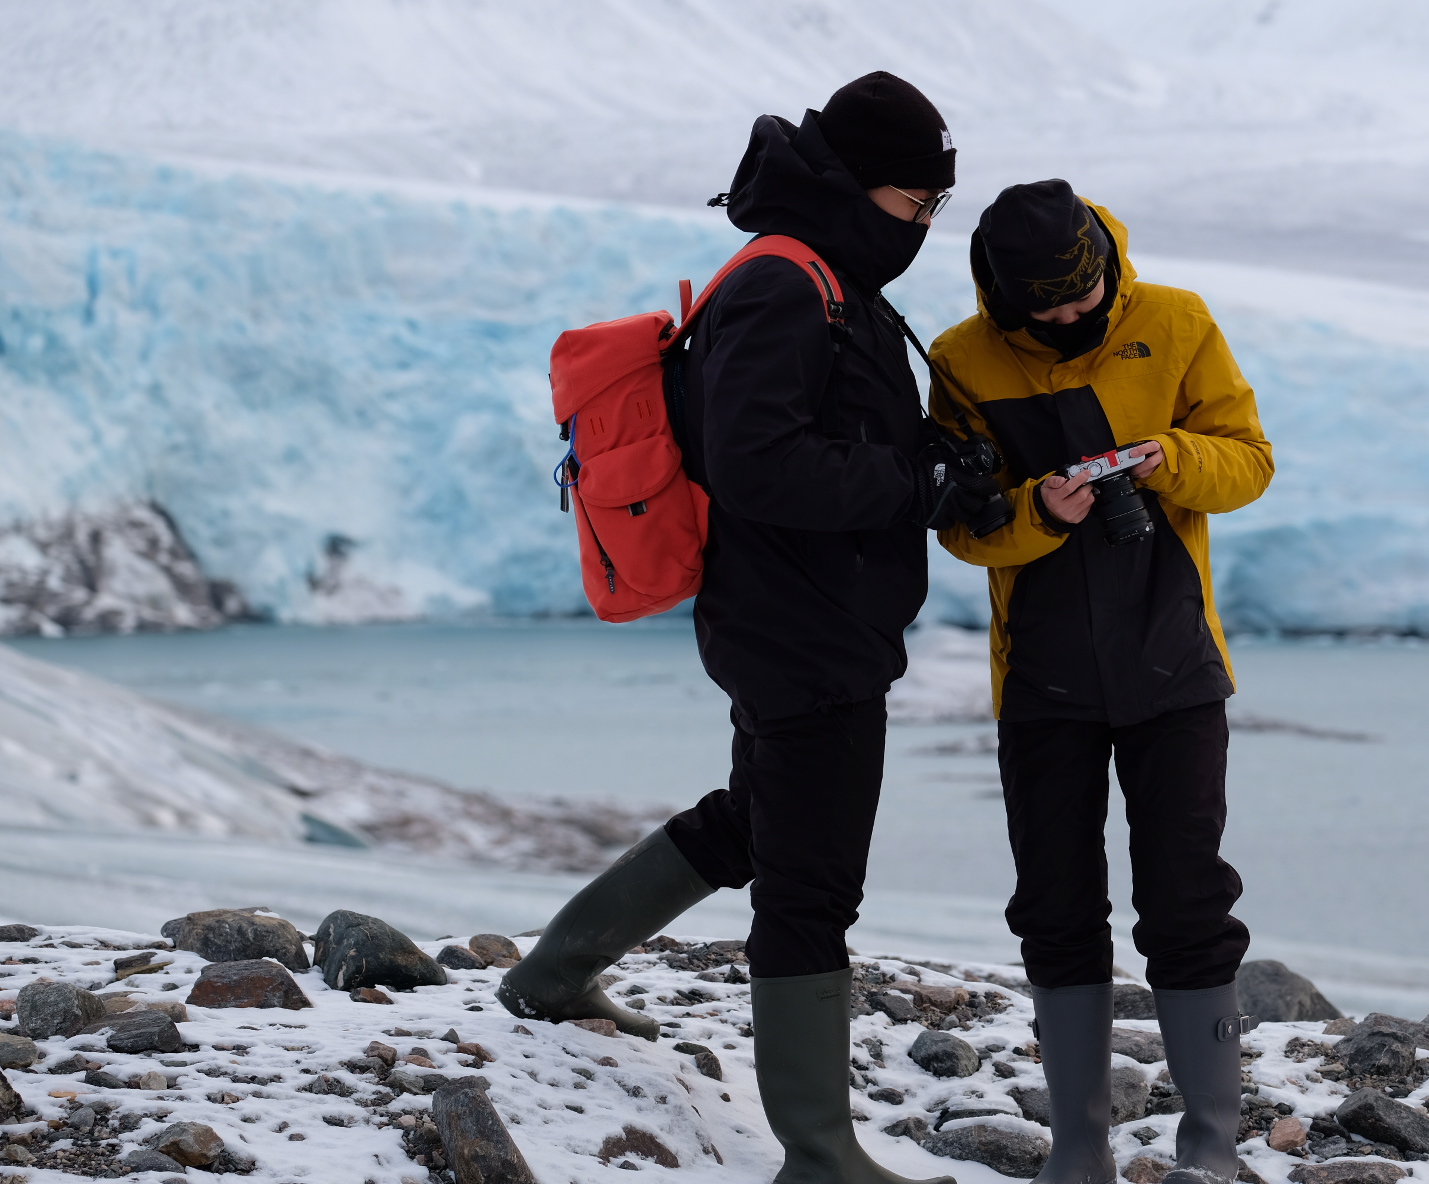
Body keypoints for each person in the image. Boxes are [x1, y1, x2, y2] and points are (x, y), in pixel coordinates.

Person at [499, 72, 995, 1184]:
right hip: (798, 626)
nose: (922, 227)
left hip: (800, 617)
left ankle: (553, 975)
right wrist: (917, 486)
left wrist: (929, 472)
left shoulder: (827, 277)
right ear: (862, 186)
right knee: (811, 884)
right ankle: (819, 1152)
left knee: (759, 820)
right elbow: (760, 462)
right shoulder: (783, 284)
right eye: (916, 205)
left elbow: (817, 443)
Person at [926, 180, 1274, 1184]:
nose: (1075, 315)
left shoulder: (1175, 320)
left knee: (1186, 899)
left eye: (1086, 295)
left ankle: (1209, 1148)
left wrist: (1171, 459)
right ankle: (1079, 1151)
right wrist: (1044, 507)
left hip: (1174, 665)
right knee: (1056, 904)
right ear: (1002, 291)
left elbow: (1249, 462)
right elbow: (960, 524)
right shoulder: (960, 359)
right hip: (1042, 681)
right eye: (1051, 306)